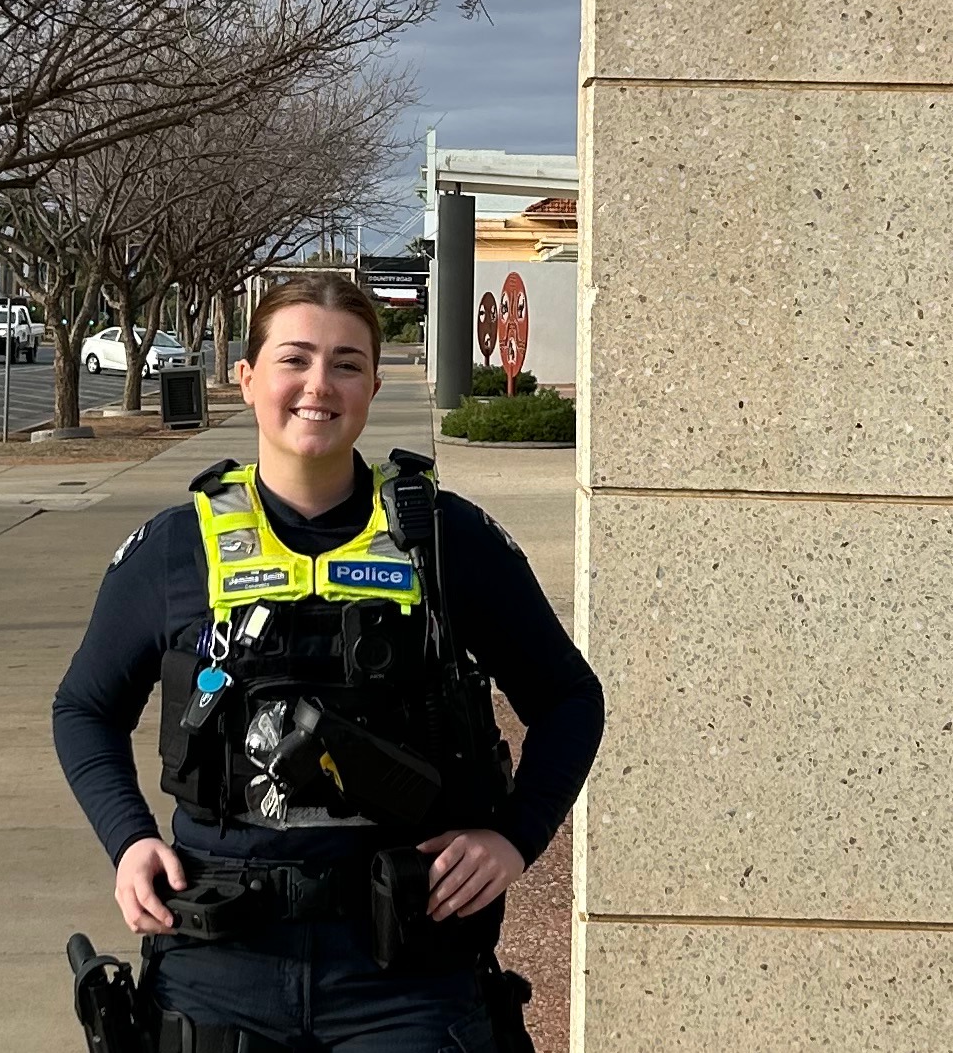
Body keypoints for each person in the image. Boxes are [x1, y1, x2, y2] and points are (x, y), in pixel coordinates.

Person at [52, 274, 603, 1052]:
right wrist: (129, 838)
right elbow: (85, 709)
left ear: (375, 384)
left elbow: (570, 699)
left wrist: (515, 836)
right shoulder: (177, 548)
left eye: (346, 363)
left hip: (405, 968)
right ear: (246, 378)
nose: (320, 385)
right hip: (219, 959)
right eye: (295, 358)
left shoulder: (444, 537)